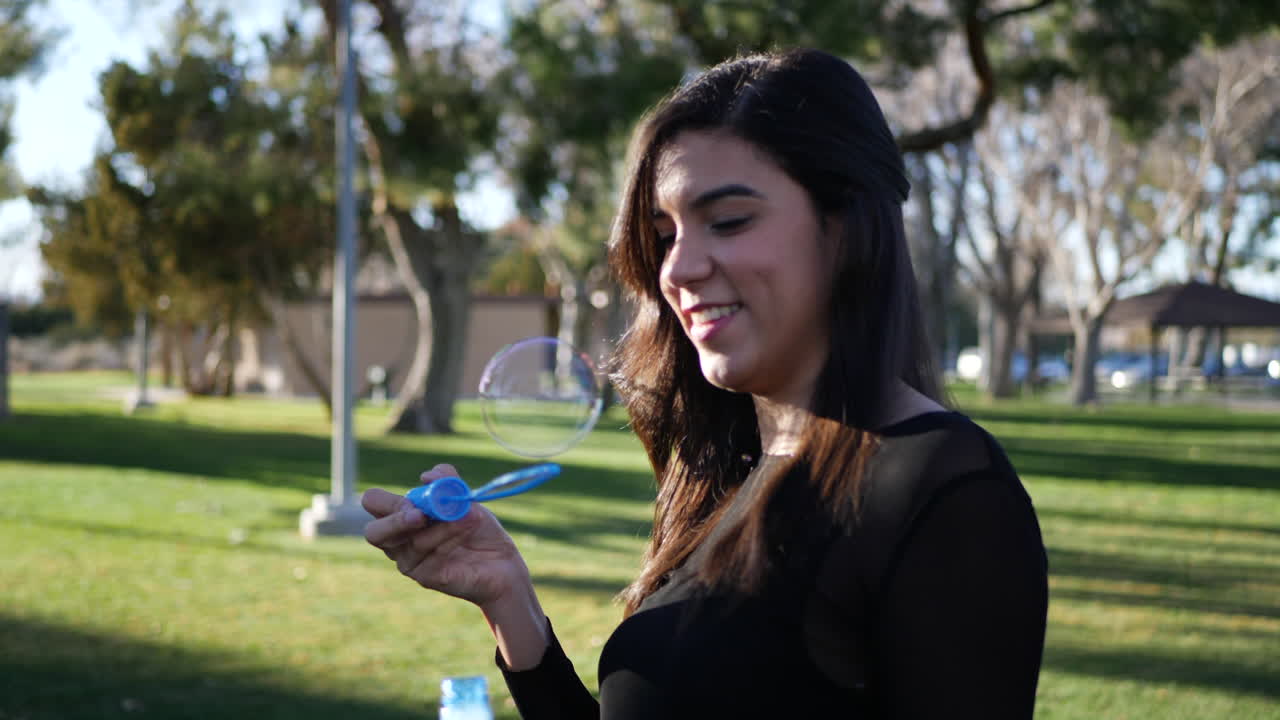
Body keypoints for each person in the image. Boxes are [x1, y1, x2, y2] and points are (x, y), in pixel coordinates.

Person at [361, 48, 1048, 719]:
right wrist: (509, 601)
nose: (677, 269)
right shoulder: (728, 470)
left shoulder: (945, 489)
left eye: (727, 221)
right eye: (664, 235)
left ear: (844, 228)